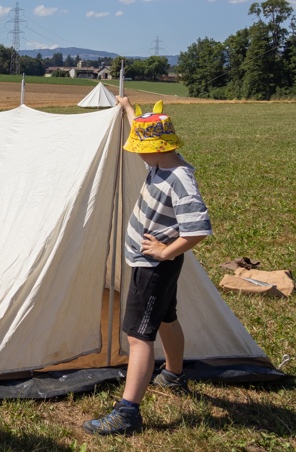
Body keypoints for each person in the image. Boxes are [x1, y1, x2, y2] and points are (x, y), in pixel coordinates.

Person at [82, 96, 212, 436]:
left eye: (140, 148)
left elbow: (198, 228)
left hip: (153, 268)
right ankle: (173, 374)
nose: (137, 153)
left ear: (156, 148)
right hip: (152, 265)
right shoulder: (160, 165)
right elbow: (144, 141)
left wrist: (166, 252)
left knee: (138, 337)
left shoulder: (180, 178)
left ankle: (128, 413)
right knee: (166, 318)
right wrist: (127, 109)